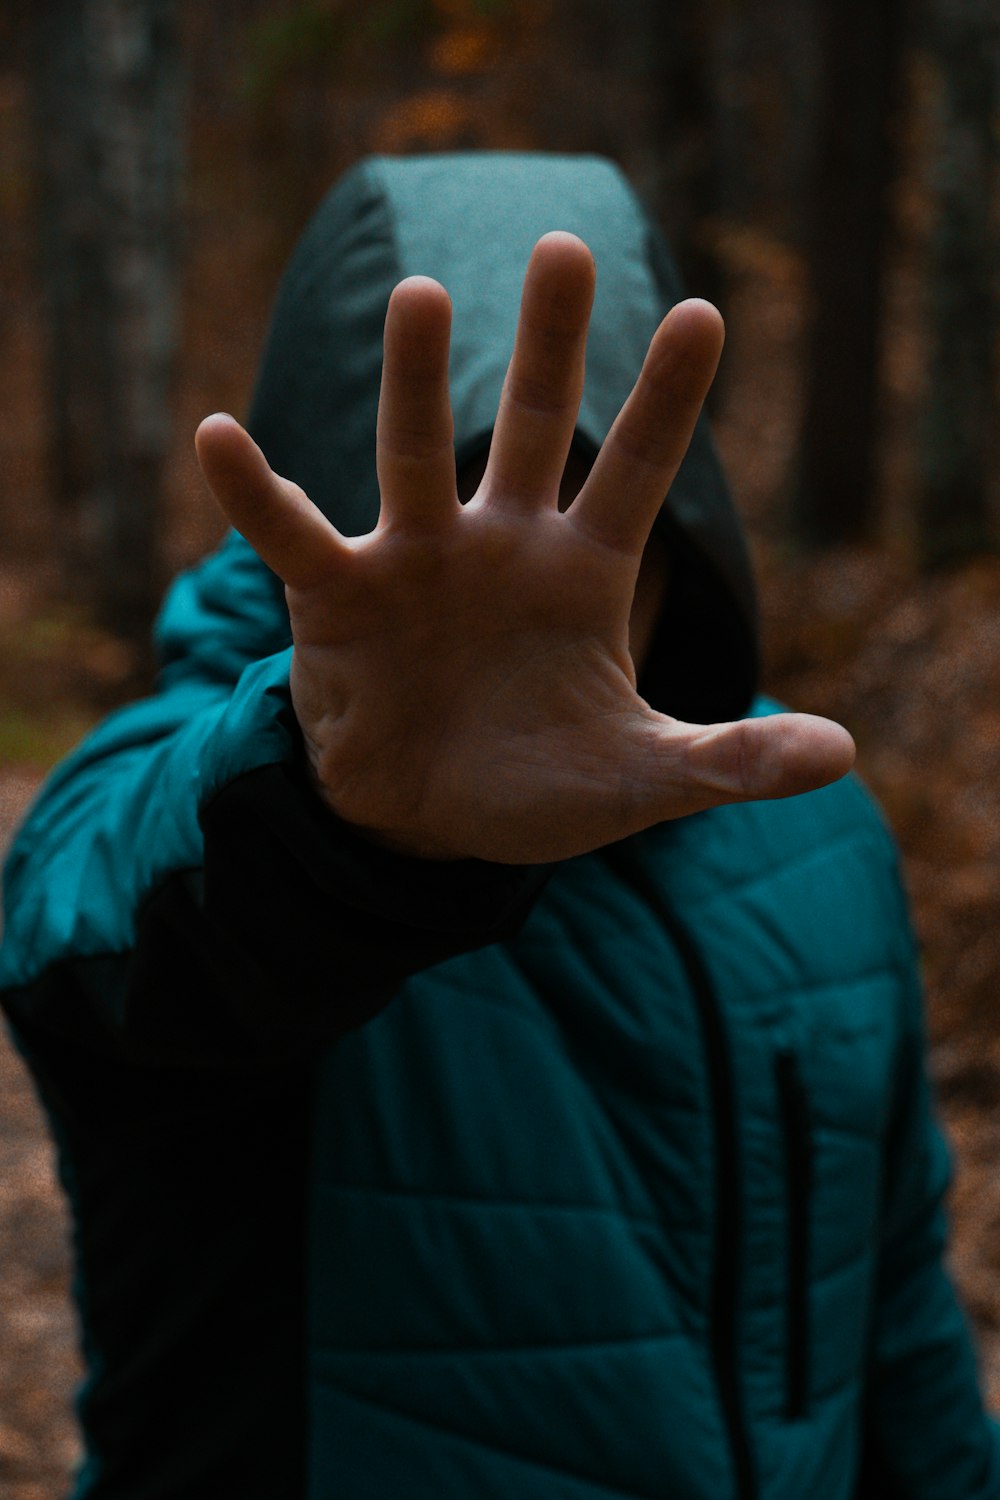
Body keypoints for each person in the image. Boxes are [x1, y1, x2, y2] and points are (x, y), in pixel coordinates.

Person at [1, 152, 997, 1500]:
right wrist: (349, 828)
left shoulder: (808, 820)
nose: (504, 587)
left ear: (678, 521)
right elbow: (101, 928)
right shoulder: (207, 787)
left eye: (574, 507)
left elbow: (897, 1328)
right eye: (443, 511)